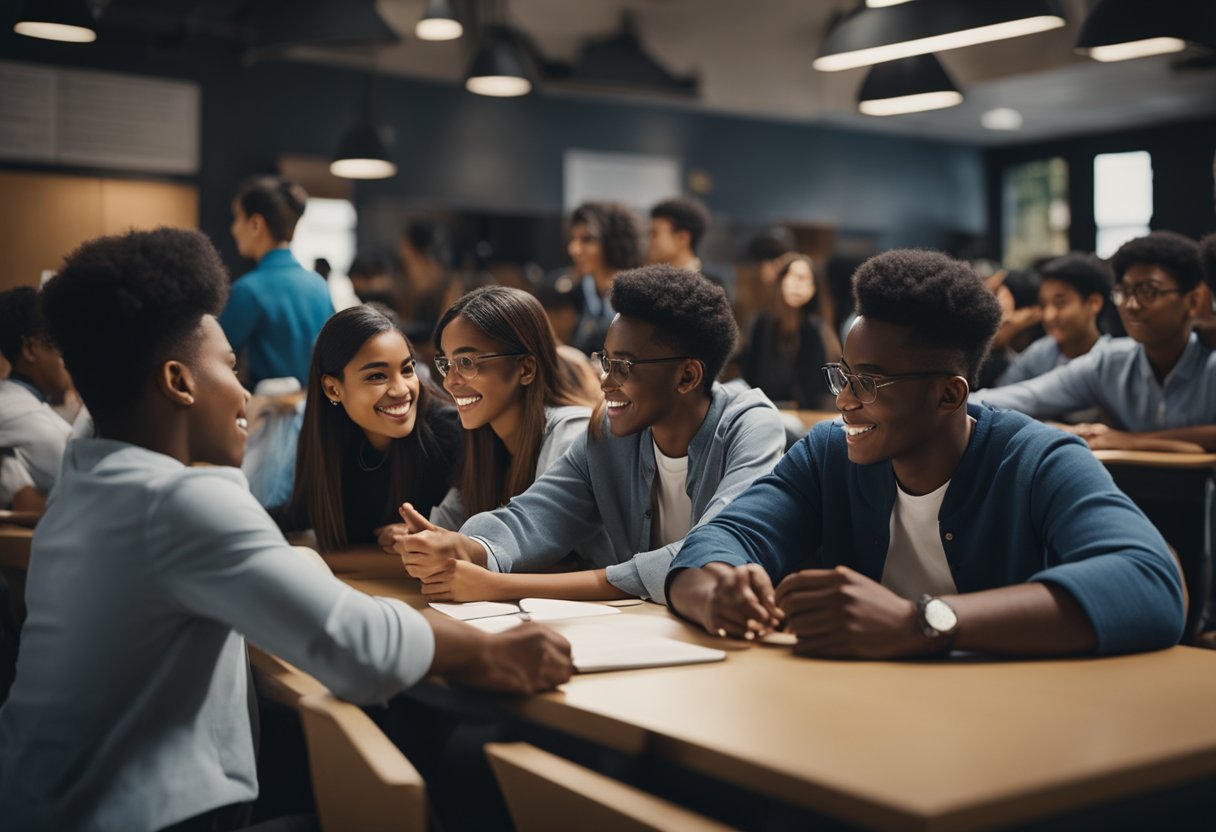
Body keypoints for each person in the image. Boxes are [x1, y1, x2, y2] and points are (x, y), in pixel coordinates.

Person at [0, 228, 571, 831]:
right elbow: (358, 646)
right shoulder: (181, 501)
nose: (246, 392)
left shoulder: (81, 489)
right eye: (230, 367)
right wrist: (490, 650)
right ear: (178, 382)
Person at [666, 249, 1184, 658]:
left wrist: (920, 620)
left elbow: (1150, 583)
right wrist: (718, 592)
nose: (844, 400)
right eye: (843, 375)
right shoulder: (829, 453)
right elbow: (718, 539)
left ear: (949, 395)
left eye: (868, 382)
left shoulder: (1039, 459)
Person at [392, 264, 786, 604]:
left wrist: (500, 585)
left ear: (687, 376)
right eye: (605, 361)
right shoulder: (607, 433)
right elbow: (534, 515)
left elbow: (707, 550)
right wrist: (467, 546)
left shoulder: (750, 427)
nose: (604, 382)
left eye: (623, 367)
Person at [974, 231, 1216, 452]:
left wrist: (1126, 440)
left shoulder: (1210, 364)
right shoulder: (1109, 363)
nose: (1131, 306)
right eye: (1124, 292)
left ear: (1193, 302)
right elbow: (1016, 398)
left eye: (1148, 291)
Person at [279, 305, 462, 552]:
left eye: (407, 370)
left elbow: (459, 554)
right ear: (333, 389)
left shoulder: (449, 433)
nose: (401, 390)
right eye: (377, 376)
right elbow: (300, 514)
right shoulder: (332, 439)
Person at [427, 285, 599, 533]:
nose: (449, 382)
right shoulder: (484, 440)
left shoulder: (571, 434)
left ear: (526, 369)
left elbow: (544, 545)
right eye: (446, 363)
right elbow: (442, 529)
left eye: (466, 362)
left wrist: (456, 548)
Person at [221, 175, 334, 388]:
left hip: (268, 416)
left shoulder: (249, 289)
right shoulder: (318, 285)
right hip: (317, 413)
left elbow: (215, 357)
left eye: (237, 218)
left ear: (255, 224)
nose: (233, 229)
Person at [0, 286, 77, 508]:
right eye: (61, 347)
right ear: (31, 349)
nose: (68, 360)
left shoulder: (16, 403)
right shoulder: (35, 422)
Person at [739, 253, 842, 409]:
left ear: (813, 288)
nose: (797, 285)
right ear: (782, 280)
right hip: (762, 409)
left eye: (805, 279)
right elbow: (748, 374)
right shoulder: (760, 324)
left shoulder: (818, 329)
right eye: (793, 276)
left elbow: (823, 386)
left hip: (806, 414)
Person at [995, 253, 1112, 387]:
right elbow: (1000, 394)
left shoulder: (1111, 359)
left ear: (1094, 303)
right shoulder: (1039, 353)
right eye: (1043, 305)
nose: (1049, 316)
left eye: (1060, 303)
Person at [566, 201, 644, 355]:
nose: (574, 249)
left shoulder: (636, 294)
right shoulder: (580, 290)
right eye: (573, 239)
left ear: (613, 242)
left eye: (587, 239)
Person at [646, 196, 722, 284]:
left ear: (682, 238)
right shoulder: (650, 282)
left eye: (654, 233)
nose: (649, 239)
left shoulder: (713, 285)